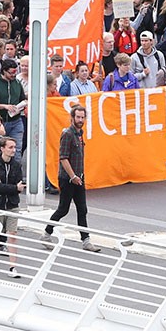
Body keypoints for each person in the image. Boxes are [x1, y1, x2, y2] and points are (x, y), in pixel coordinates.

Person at [43, 105, 100, 252]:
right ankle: (46, 233)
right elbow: (63, 158)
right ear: (72, 118)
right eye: (78, 117)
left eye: (82, 117)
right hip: (67, 178)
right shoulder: (68, 134)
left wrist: (78, 176)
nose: (80, 120)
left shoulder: (80, 134)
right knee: (63, 209)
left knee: (82, 209)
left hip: (79, 177)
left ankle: (85, 240)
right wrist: (72, 176)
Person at [0, 136, 25, 279]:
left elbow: (20, 186)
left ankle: (13, 266)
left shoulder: (17, 165)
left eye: (14, 147)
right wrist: (14, 187)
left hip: (12, 204)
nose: (13, 150)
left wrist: (10, 187)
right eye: (10, 147)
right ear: (2, 148)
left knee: (12, 234)